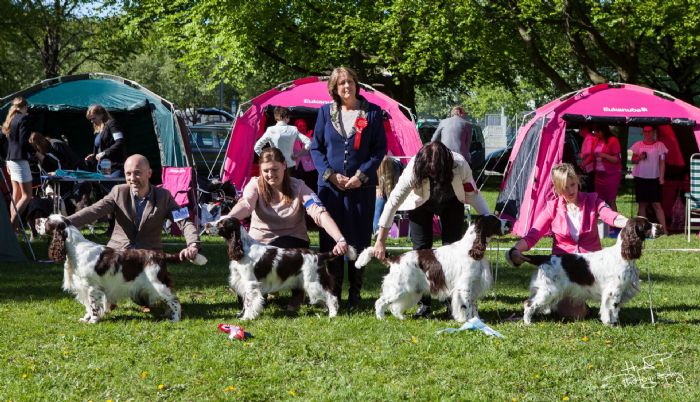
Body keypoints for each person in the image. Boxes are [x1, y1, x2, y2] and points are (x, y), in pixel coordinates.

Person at [372, 141, 491, 318]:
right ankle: (424, 304)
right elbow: (392, 203)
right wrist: (380, 240)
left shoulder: (460, 164)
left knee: (453, 252)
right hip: (420, 204)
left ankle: (454, 304)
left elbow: (473, 195)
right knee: (421, 248)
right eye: (429, 171)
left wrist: (489, 221)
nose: (433, 174)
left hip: (452, 202)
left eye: (436, 171)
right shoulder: (413, 168)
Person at [223, 147, 350, 311]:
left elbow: (319, 212)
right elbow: (246, 205)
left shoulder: (299, 187)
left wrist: (339, 238)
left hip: (292, 241)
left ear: (284, 165)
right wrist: (230, 219)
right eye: (266, 171)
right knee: (244, 299)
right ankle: (266, 289)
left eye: (275, 169)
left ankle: (297, 292)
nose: (270, 175)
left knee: (286, 246)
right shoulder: (254, 185)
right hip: (259, 245)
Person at [508, 163, 628, 319]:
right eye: (565, 187)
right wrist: (516, 250)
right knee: (573, 314)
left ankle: (573, 304)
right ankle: (562, 305)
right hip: (565, 271)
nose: (571, 191)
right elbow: (533, 235)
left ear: (578, 181)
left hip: (591, 269)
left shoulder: (593, 200)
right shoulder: (552, 207)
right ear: (557, 189)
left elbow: (610, 216)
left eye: (572, 185)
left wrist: (629, 222)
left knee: (572, 312)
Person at [310, 66, 387, 308]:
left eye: (350, 82)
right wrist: (330, 175)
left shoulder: (372, 113)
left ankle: (355, 295)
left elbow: (378, 150)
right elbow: (316, 148)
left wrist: (362, 175)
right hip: (330, 189)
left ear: (356, 84)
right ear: (334, 88)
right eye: (341, 83)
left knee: (359, 239)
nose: (346, 86)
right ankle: (333, 295)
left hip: (360, 189)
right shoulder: (324, 113)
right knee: (331, 240)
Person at [67, 154, 199, 260]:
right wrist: (65, 222)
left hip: (149, 259)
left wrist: (193, 244)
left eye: (137, 173)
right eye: (128, 174)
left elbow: (184, 221)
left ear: (149, 173)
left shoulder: (164, 196)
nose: (132, 178)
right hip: (117, 256)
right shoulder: (118, 192)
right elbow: (93, 211)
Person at [2, 97, 34, 229]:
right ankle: (11, 227)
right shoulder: (23, 118)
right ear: (24, 107)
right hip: (20, 160)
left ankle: (13, 228)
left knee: (16, 194)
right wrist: (34, 153)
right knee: (27, 195)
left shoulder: (10, 119)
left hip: (10, 159)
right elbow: (23, 142)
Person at [630, 126, 669, 235]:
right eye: (645, 131)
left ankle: (665, 230)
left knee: (657, 205)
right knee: (642, 205)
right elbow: (633, 161)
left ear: (653, 132)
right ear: (643, 133)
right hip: (640, 177)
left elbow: (662, 162)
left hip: (654, 178)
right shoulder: (638, 145)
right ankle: (643, 230)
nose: (647, 133)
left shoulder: (660, 145)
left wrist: (662, 177)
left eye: (649, 131)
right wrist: (639, 158)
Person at [254, 107, 312, 175]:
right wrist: (298, 155)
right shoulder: (293, 129)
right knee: (290, 184)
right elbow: (308, 142)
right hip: (290, 165)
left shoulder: (270, 130)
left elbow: (257, 147)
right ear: (286, 117)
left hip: (275, 165)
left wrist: (267, 159)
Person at [85, 104, 126, 177]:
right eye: (90, 119)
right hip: (104, 167)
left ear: (101, 115)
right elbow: (102, 148)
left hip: (115, 167)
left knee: (114, 187)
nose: (92, 121)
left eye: (94, 118)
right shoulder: (98, 130)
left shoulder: (112, 123)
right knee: (105, 187)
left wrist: (104, 153)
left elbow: (120, 142)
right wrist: (93, 156)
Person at [588, 125, 622, 211]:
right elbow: (592, 155)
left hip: (611, 174)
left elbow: (616, 160)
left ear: (603, 131)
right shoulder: (596, 140)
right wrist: (585, 163)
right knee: (599, 200)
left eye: (597, 132)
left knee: (610, 200)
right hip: (599, 175)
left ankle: (614, 223)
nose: (595, 134)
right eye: (594, 131)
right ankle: (602, 222)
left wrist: (604, 155)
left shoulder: (613, 140)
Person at [372, 155, 403, 234]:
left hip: (394, 191)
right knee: (379, 201)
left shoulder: (396, 167)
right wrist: (377, 189)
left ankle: (380, 230)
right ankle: (378, 230)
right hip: (381, 192)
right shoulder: (374, 165)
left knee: (383, 204)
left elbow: (397, 186)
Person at [291, 118, 318, 189]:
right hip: (297, 167)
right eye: (300, 126)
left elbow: (310, 150)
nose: (302, 128)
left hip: (309, 167)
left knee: (310, 186)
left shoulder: (311, 138)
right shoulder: (292, 139)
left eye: (304, 126)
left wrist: (307, 138)